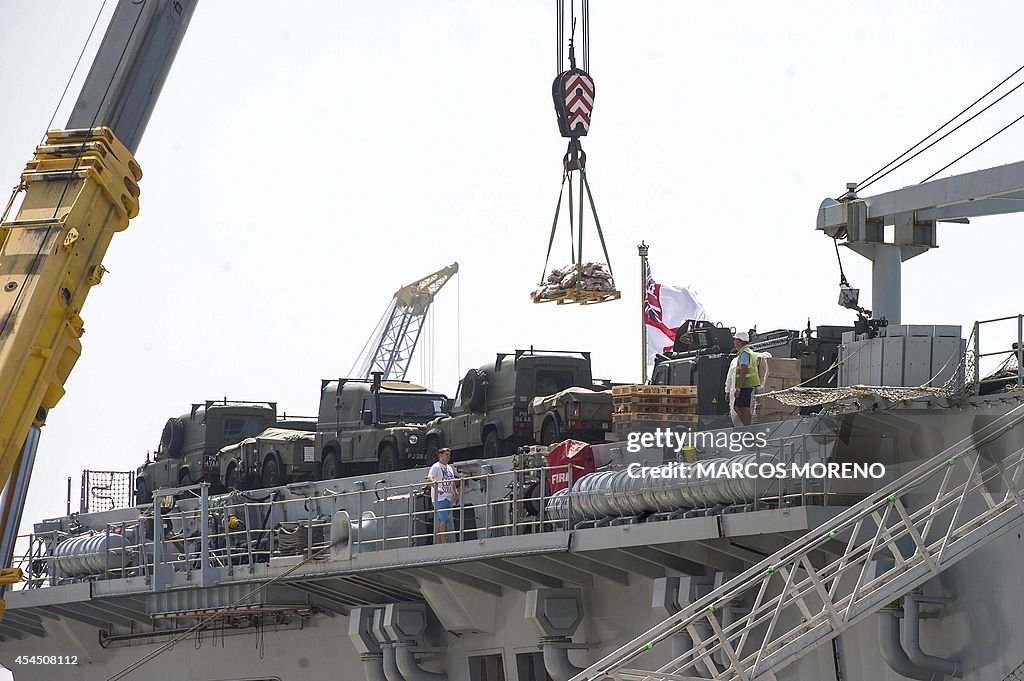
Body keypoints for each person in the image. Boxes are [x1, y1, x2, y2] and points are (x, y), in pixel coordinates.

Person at [426, 447, 459, 543]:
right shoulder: (436, 467)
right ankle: (443, 542)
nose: (448, 457)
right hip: (439, 498)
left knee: (442, 519)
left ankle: (440, 540)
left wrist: (455, 493)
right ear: (440, 455)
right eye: (446, 455)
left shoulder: (449, 468)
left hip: (448, 497)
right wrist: (437, 488)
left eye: (449, 455)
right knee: (444, 519)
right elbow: (430, 479)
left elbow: (452, 481)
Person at [732, 331, 761, 426]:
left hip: (746, 384)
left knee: (740, 407)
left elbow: (743, 370)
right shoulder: (749, 352)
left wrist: (738, 388)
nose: (734, 342)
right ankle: (746, 426)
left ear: (740, 341)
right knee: (741, 406)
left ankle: (747, 427)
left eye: (735, 340)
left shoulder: (744, 353)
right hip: (748, 384)